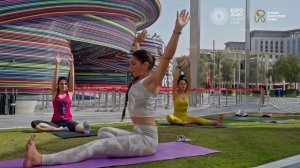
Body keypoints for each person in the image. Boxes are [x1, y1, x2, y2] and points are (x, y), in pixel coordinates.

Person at [23, 9, 190, 167]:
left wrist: (177, 30)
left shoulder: (151, 82)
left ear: (145, 65)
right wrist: (137, 44)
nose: (130, 67)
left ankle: (40, 159)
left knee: (96, 145)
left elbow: (167, 57)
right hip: (137, 134)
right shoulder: (141, 79)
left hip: (146, 141)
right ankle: (114, 147)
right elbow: (141, 59)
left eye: (133, 64)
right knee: (103, 131)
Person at [30, 52, 90, 134]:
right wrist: (57, 63)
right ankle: (58, 129)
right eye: (61, 84)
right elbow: (55, 78)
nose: (64, 85)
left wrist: (71, 64)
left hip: (68, 121)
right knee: (35, 123)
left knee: (79, 127)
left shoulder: (70, 93)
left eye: (65, 84)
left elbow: (72, 77)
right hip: (55, 123)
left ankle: (84, 129)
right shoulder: (55, 93)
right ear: (58, 85)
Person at [166, 57, 224, 126]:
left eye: (184, 84)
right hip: (176, 117)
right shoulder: (175, 94)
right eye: (181, 84)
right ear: (177, 85)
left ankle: (216, 123)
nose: (183, 85)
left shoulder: (186, 93)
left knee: (198, 119)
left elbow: (189, 80)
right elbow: (175, 80)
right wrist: (179, 67)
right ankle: (182, 122)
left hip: (186, 117)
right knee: (169, 117)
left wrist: (189, 67)